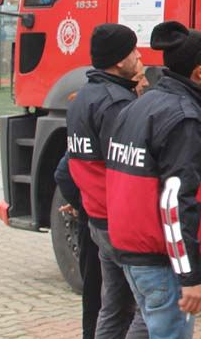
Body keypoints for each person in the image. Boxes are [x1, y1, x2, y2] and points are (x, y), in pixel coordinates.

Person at [105, 21, 201, 339]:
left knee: (145, 328)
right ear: (198, 72)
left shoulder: (139, 106)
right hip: (160, 260)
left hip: (132, 250)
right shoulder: (184, 117)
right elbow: (174, 202)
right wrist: (189, 276)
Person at [65, 22, 148, 339]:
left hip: (98, 221)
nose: (139, 56)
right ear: (118, 60)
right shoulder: (116, 104)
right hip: (120, 223)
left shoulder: (82, 98)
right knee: (149, 311)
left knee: (112, 309)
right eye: (133, 51)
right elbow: (130, 167)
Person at [54, 153, 103, 339]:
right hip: (105, 223)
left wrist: (82, 204)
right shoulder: (107, 129)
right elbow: (63, 174)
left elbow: (63, 175)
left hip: (91, 221)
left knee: (94, 297)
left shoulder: (83, 129)